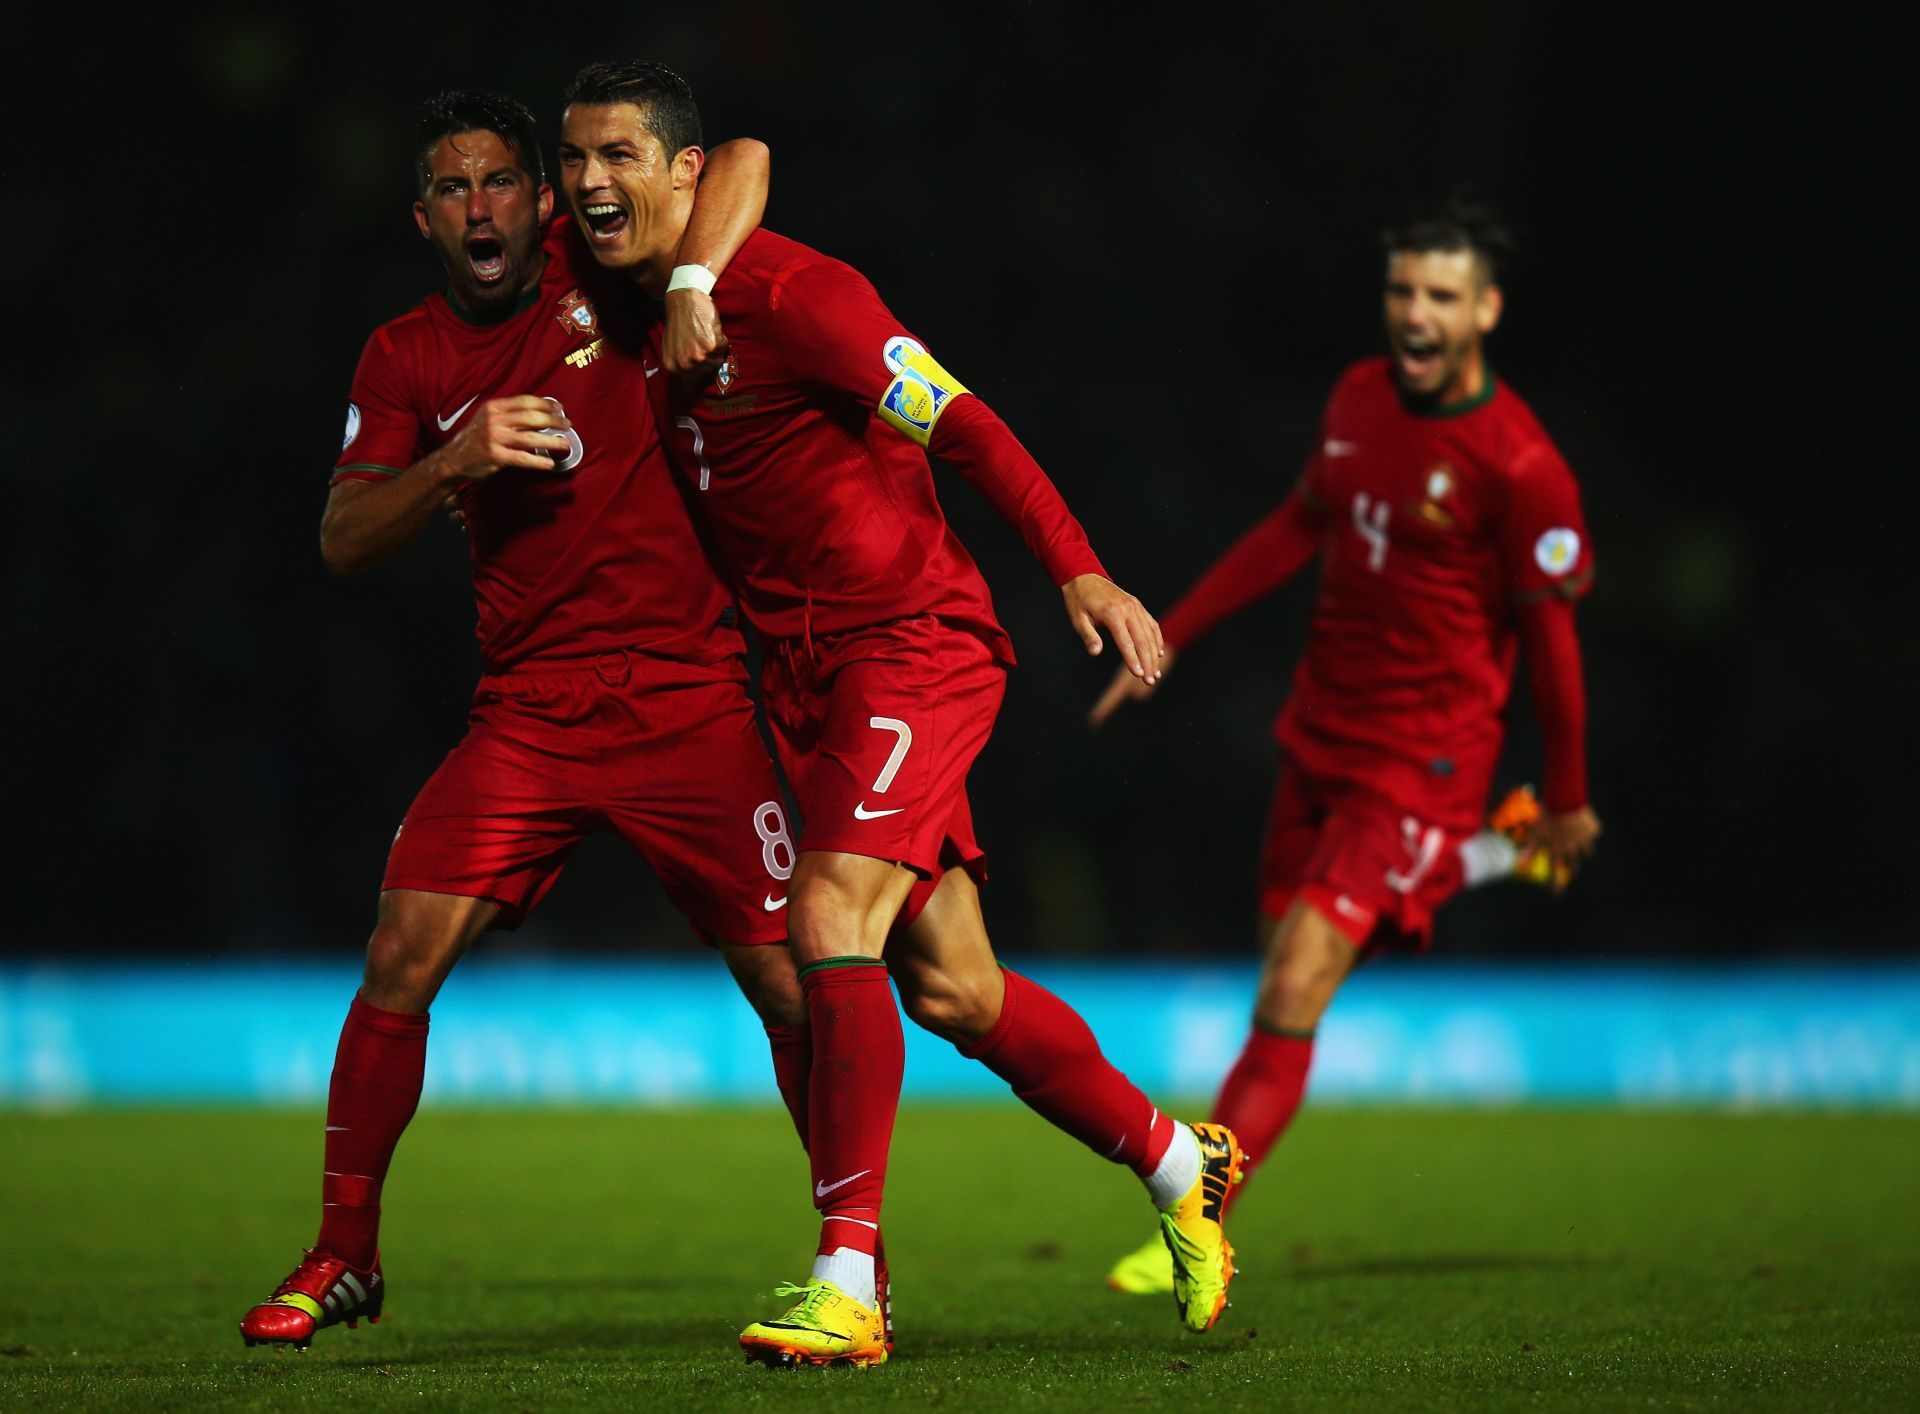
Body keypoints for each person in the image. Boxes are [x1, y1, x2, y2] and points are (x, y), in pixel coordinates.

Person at [555, 61, 1244, 1365]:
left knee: (826, 917)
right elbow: (716, 160)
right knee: (956, 989)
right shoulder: (626, 293)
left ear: (686, 178)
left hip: (912, 647)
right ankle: (1176, 1162)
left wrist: (1080, 567)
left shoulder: (796, 295)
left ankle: (850, 1280)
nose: (594, 182)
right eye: (575, 159)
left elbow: (965, 425)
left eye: (623, 157)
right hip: (808, 680)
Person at [238, 91, 807, 1350]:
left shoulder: (604, 273)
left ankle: (850, 1257)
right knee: (399, 951)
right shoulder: (403, 358)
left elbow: (749, 157)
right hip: (531, 718)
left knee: (791, 983)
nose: (480, 205)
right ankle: (344, 1255)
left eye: (501, 181)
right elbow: (341, 536)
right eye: (453, 189)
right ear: (424, 218)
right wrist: (454, 459)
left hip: (685, 699)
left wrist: (697, 278)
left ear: (542, 201)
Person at [1091, 202, 1602, 1294]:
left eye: (1441, 296)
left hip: (1423, 758)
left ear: (1487, 311)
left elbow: (1554, 648)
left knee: (1296, 982)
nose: (1415, 314)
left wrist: (1567, 791)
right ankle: (1487, 856)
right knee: (1288, 954)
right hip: (1318, 734)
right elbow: (1294, 524)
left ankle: (1199, 1221)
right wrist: (1169, 635)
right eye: (1403, 291)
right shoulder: (1359, 397)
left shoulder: (1522, 467)